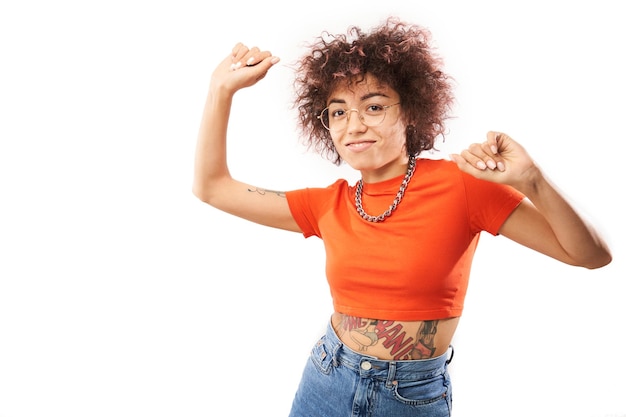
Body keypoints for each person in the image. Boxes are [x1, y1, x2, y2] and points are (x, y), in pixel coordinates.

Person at [192, 17, 612, 417]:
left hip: (409, 397)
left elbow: (590, 256)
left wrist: (533, 181)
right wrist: (219, 91)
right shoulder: (326, 204)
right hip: (326, 379)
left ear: (410, 112)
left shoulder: (463, 185)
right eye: (338, 112)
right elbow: (212, 187)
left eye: (373, 107)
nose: (353, 125)